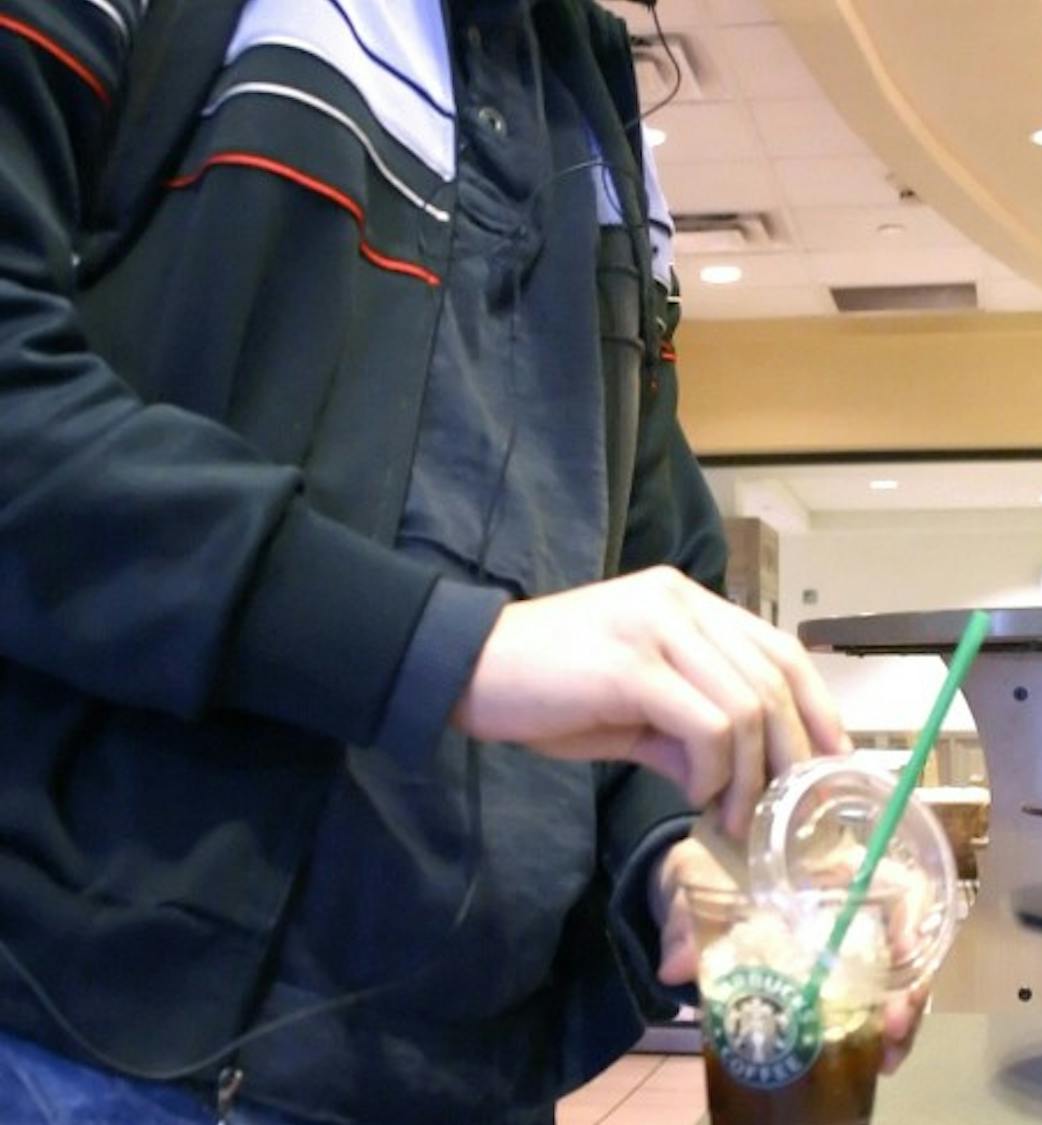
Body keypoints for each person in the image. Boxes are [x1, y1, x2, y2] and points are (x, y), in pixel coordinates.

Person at [0, 0, 927, 1121]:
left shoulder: (586, 76)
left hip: (476, 1062)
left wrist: (681, 858)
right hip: (103, 1044)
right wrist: (458, 648)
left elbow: (641, 546)